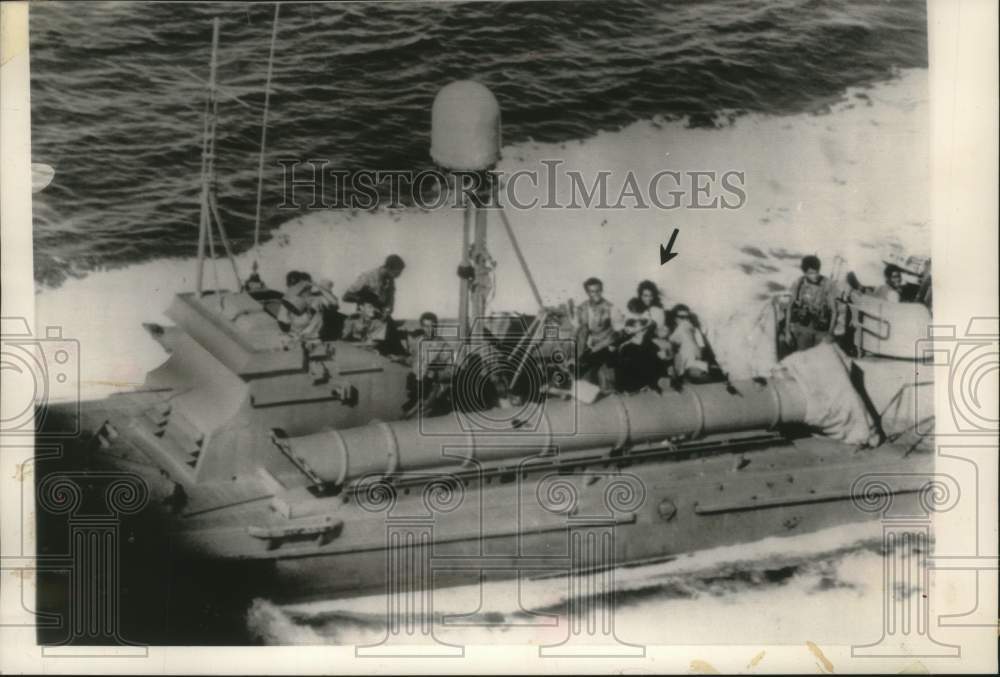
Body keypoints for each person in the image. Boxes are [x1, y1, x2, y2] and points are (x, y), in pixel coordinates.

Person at [574, 277, 623, 392]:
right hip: (591, 347)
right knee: (584, 382)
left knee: (605, 383)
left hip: (607, 346)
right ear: (587, 292)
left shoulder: (611, 307)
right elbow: (582, 332)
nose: (596, 294)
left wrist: (611, 345)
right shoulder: (582, 308)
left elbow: (619, 332)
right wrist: (580, 354)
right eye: (592, 291)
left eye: (598, 290)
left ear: (601, 290)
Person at [786, 255, 837, 352]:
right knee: (802, 359)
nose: (815, 275)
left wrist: (830, 333)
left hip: (821, 331)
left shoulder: (827, 284)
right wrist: (787, 331)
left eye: (816, 272)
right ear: (805, 273)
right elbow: (789, 308)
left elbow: (834, 311)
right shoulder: (799, 283)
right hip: (803, 329)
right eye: (811, 273)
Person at [616, 297, 661, 392]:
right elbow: (626, 330)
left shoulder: (646, 317)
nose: (635, 313)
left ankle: (648, 383)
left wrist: (638, 328)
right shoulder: (630, 318)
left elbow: (650, 324)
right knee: (627, 356)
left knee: (647, 357)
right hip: (633, 342)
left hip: (643, 342)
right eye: (633, 311)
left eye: (637, 311)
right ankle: (630, 385)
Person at [668, 304, 716, 384]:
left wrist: (690, 336)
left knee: (695, 373)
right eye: (682, 317)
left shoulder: (695, 331)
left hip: (692, 363)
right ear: (675, 318)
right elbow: (670, 347)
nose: (686, 320)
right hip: (677, 364)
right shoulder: (671, 331)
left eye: (687, 317)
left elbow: (699, 354)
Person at [636, 279, 672, 364]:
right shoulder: (641, 310)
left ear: (654, 296)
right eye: (645, 296)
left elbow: (658, 331)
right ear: (640, 296)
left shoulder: (658, 311)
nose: (648, 298)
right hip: (641, 340)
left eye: (651, 296)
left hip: (653, 341)